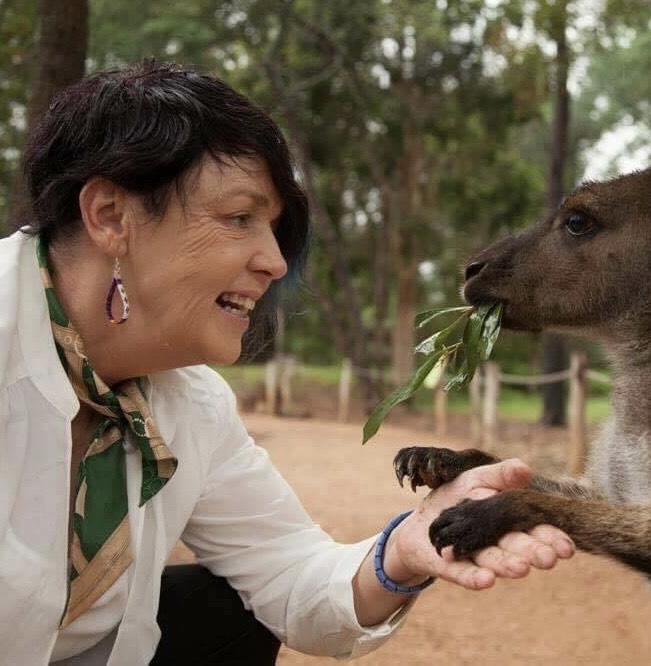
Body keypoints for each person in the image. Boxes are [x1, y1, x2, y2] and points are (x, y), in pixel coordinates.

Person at [0, 61, 575, 665]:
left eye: (274, 229)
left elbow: (291, 577)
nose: (274, 261)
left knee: (219, 613)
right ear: (112, 216)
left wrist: (405, 549)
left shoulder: (190, 403)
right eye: (239, 218)